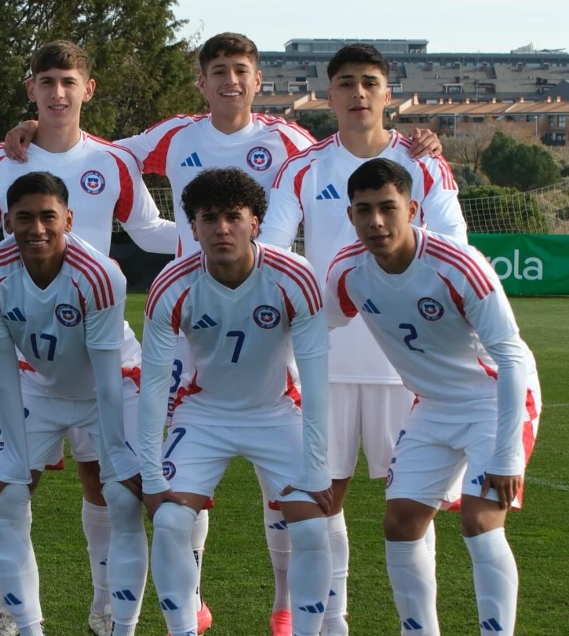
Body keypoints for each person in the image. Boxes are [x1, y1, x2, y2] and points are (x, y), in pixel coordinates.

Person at [3, 33, 441, 634]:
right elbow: (94, 152)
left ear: (257, 80)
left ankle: (289, 604)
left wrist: (419, 145)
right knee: (187, 480)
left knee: (285, 488)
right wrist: (34, 130)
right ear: (201, 81)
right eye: (217, 71)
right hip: (190, 317)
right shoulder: (175, 136)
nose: (229, 81)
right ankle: (195, 598)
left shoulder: (290, 143)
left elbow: (358, 160)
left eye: (240, 71)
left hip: (270, 317)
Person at [0, 39, 172, 636]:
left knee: (106, 484)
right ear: (32, 89)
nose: (57, 93)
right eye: (46, 81)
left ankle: (107, 609)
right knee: (7, 484)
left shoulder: (112, 162)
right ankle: (14, 610)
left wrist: (231, 241)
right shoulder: (1, 163)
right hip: (29, 352)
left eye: (67, 82)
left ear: (86, 90)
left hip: (100, 341)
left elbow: (151, 232)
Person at [262, 43, 467, 635]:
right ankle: (332, 625)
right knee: (322, 502)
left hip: (408, 365)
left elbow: (456, 241)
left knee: (412, 514)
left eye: (369, 82)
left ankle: (418, 627)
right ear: (329, 97)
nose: (357, 93)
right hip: (324, 359)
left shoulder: (425, 163)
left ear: (387, 94)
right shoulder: (304, 167)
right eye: (345, 83)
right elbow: (275, 250)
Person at [326, 158, 541, 635]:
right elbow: (317, 326)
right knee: (401, 522)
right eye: (364, 210)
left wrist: (506, 453)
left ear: (413, 209)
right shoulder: (348, 271)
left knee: (480, 521)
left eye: (388, 207)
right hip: (433, 407)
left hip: (494, 398)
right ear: (351, 216)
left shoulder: (458, 265)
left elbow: (510, 356)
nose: (376, 221)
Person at [137, 168, 332, 636]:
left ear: (255, 222)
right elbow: (152, 381)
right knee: (168, 521)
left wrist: (317, 465)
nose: (222, 228)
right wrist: (149, 472)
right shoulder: (172, 284)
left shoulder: (294, 276)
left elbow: (318, 377)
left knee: (309, 527)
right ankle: (183, 627)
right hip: (204, 415)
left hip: (276, 411)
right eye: (209, 218)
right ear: (194, 227)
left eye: (233, 217)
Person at [0, 172, 147, 636]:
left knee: (124, 497)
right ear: (7, 221)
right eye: (24, 218)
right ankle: (24, 622)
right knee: (5, 495)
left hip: (113, 382)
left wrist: (120, 458)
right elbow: (3, 376)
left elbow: (106, 381)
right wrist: (14, 455)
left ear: (68, 218)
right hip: (38, 384)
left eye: (49, 216)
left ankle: (114, 618)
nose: (37, 228)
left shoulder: (100, 274)